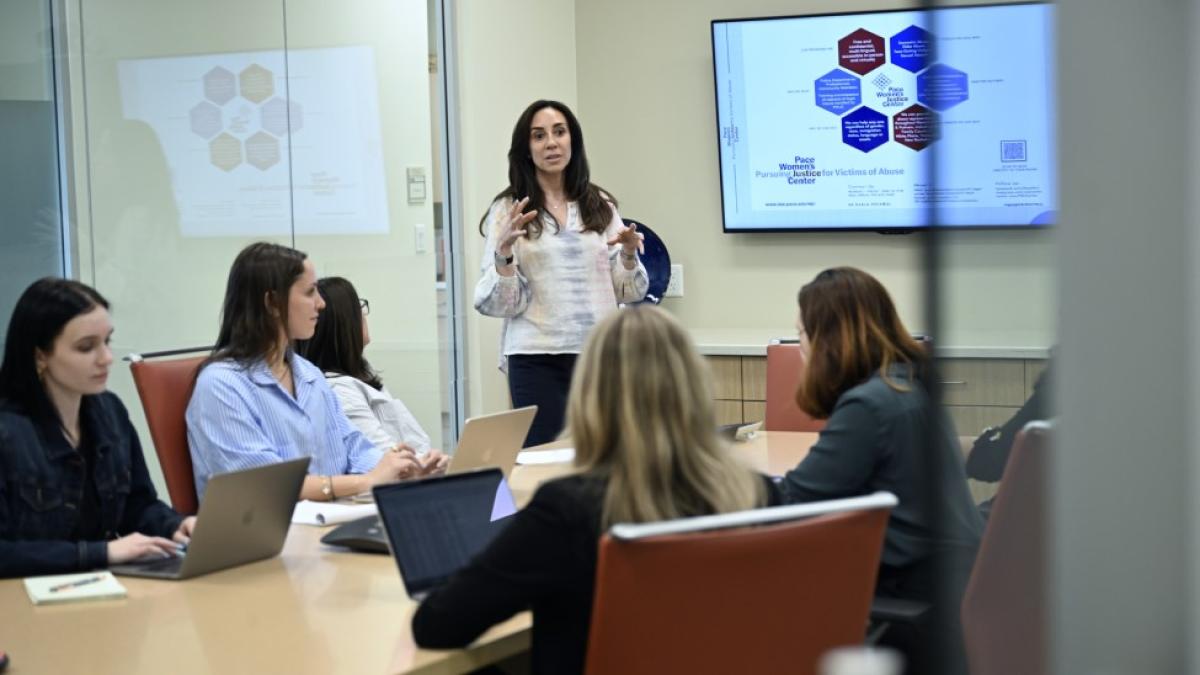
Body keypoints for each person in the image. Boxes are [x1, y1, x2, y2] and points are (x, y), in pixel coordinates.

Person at [411, 305, 780, 674]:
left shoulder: (566, 512)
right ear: (696, 388)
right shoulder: (758, 495)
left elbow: (437, 624)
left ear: (588, 395)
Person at [778, 267, 983, 674]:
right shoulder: (906, 386)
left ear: (828, 340)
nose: (800, 349)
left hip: (910, 595)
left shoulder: (869, 405)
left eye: (801, 335)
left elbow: (793, 504)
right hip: (949, 587)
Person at [186, 242, 436, 503]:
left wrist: (405, 468)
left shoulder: (308, 374)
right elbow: (268, 487)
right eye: (309, 292)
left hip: (328, 520)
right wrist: (366, 481)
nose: (321, 304)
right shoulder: (220, 386)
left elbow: (353, 446)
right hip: (270, 538)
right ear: (272, 302)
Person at [474, 99, 649, 446]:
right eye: (539, 136)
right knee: (546, 462)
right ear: (527, 149)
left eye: (559, 132)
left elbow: (628, 292)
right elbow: (498, 304)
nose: (551, 143)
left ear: (573, 141)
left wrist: (628, 254)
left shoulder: (599, 205)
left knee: (604, 457)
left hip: (599, 355)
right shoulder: (509, 209)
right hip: (536, 358)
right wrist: (504, 253)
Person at [0, 278, 194, 578]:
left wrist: (173, 525)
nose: (106, 358)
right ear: (40, 356)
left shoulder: (110, 411)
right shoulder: (8, 432)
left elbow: (137, 506)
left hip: (99, 586)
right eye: (86, 347)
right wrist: (100, 553)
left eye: (107, 341)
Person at [297, 276, 445, 469]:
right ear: (342, 321)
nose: (364, 314)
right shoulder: (338, 390)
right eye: (357, 307)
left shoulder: (356, 379)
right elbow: (382, 455)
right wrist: (431, 464)